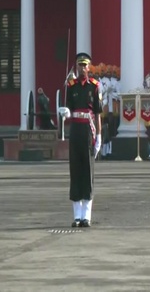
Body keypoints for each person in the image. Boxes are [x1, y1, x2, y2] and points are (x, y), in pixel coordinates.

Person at [59, 52, 103, 228]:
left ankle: (87, 216)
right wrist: (65, 112)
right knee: (75, 171)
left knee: (88, 171)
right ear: (76, 67)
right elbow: (68, 107)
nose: (83, 68)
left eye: (85, 65)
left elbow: (98, 114)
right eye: (80, 65)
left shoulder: (94, 86)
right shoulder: (71, 86)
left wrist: (99, 136)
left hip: (89, 131)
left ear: (89, 67)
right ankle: (77, 215)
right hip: (75, 131)